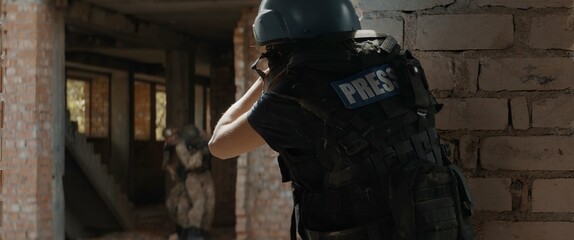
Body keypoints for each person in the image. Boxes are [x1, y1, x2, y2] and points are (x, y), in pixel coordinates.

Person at [209, 0, 475, 239]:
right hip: (435, 224)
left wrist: (270, 77)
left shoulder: (291, 95)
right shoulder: (393, 59)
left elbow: (219, 144)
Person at [163, 124, 215, 240]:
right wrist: (201, 153)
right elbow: (188, 164)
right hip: (191, 176)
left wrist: (208, 142)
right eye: (170, 138)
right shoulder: (180, 147)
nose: (173, 139)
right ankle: (192, 232)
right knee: (197, 202)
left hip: (205, 173)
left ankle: (204, 230)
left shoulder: (201, 139)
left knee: (210, 202)